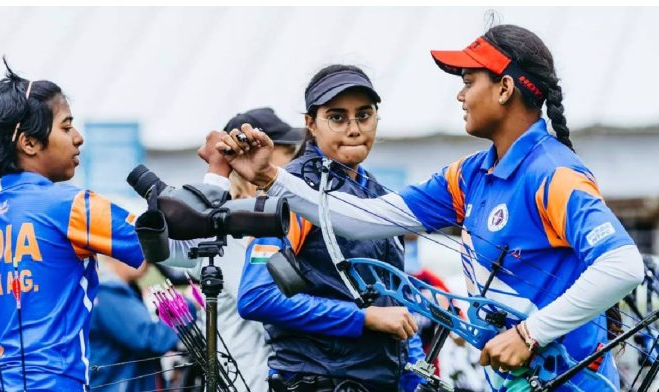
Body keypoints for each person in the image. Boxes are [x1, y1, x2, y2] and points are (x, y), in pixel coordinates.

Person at [215, 26, 645, 391]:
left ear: (505, 88)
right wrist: (272, 176)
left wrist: (530, 334)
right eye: (336, 116)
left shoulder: (552, 173)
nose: (460, 95)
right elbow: (364, 220)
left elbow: (623, 265)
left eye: (468, 80)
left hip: (570, 378)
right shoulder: (470, 174)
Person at [0, 60, 190, 390]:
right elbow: (169, 247)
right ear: (28, 143)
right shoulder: (69, 205)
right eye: (67, 127)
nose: (79, 138)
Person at [227, 65, 425, 392]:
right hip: (317, 381)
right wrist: (363, 318)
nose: (353, 128)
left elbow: (394, 301)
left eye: (364, 115)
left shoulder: (380, 196)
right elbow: (257, 296)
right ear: (311, 124)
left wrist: (415, 372)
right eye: (337, 117)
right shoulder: (294, 192)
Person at [161, 107, 303, 392]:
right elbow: (268, 307)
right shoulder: (230, 231)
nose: (293, 164)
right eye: (286, 153)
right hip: (249, 382)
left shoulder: (249, 227)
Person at [89, 256, 180, 391]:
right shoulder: (108, 293)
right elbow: (151, 340)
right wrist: (181, 306)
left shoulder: (112, 291)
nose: (148, 257)